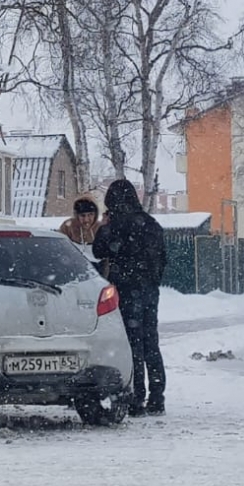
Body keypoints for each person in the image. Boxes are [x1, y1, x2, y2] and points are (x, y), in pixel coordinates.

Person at [93, 178, 168, 417]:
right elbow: (163, 258)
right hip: (149, 290)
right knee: (151, 343)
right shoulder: (152, 224)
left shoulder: (114, 226)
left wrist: (104, 227)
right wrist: (152, 279)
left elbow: (97, 251)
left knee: (132, 343)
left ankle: (137, 396)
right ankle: (157, 397)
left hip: (125, 289)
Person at [59, 197, 100, 266]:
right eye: (82, 215)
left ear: (95, 214)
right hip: (74, 266)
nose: (86, 220)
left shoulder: (100, 228)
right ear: (76, 215)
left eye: (90, 215)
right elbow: (60, 247)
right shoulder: (68, 226)